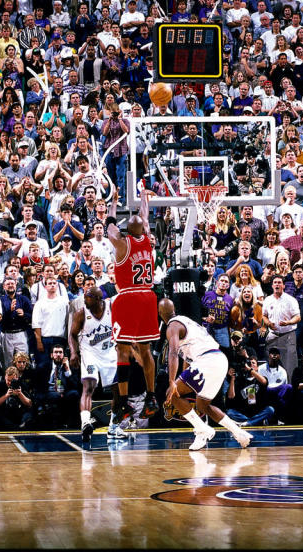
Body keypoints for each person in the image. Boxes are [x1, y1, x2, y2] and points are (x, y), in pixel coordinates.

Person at [158, 298, 252, 450]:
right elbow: (187, 359)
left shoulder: (172, 327)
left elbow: (173, 353)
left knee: (172, 393)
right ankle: (240, 433)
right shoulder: (186, 321)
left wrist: (172, 381)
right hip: (219, 359)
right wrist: (182, 379)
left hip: (207, 361)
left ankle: (202, 430)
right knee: (203, 405)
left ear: (160, 313)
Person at [105, 191, 160, 425]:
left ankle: (125, 402)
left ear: (127, 230)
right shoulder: (147, 238)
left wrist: (114, 204)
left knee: (123, 351)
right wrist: (144, 199)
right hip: (148, 296)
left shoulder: (121, 243)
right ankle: (151, 396)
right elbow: (145, 217)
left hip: (128, 297)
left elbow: (108, 227)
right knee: (146, 351)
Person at [68, 286, 119, 440]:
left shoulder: (111, 307)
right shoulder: (81, 313)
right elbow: (72, 335)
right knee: (88, 386)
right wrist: (73, 352)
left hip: (110, 352)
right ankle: (85, 423)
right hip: (89, 353)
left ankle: (113, 428)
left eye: (87, 298)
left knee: (118, 391)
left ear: (98, 299)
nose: (84, 300)